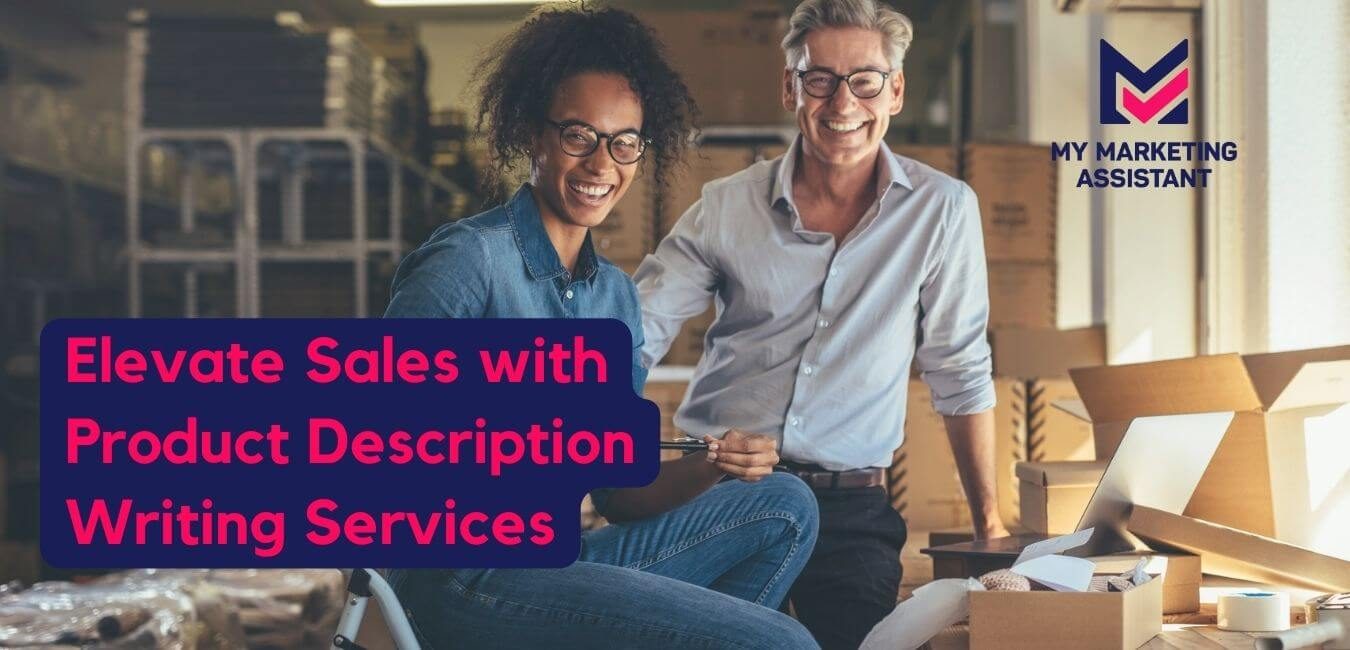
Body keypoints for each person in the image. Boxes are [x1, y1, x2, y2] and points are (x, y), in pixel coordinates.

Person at [382, 7, 820, 649]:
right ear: (534, 134)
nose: (601, 164)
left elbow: (618, 491)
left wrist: (714, 465)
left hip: (561, 557)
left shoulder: (612, 295)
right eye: (578, 136)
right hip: (464, 573)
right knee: (784, 644)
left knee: (785, 505)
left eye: (623, 143)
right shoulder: (471, 261)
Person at [634, 0, 1010, 647]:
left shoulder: (943, 211)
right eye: (819, 79)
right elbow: (634, 332)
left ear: (894, 91)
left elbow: (959, 369)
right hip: (723, 490)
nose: (843, 102)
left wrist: (991, 528)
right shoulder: (725, 206)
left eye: (864, 80)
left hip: (851, 508)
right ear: (790, 88)